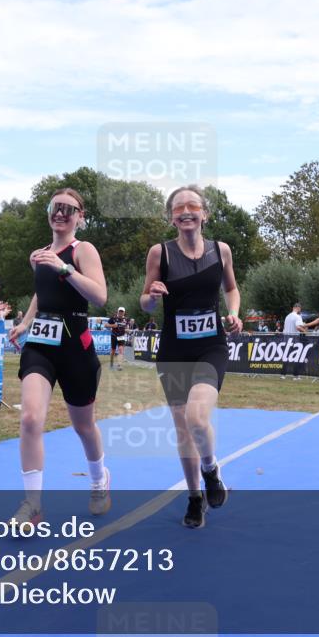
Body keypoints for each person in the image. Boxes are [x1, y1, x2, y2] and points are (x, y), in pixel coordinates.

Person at [7, 188, 110, 529]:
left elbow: (99, 295)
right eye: (55, 207)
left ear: (80, 216)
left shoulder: (83, 250)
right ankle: (32, 505)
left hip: (75, 345)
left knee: (83, 425)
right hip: (41, 345)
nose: (61, 213)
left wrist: (65, 267)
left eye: (69, 208)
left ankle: (98, 479)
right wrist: (24, 323)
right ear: (48, 212)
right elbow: (43, 293)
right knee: (31, 419)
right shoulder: (39, 255)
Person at [140, 184, 242, 529]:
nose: (186, 211)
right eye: (178, 207)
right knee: (183, 431)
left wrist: (234, 312)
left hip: (210, 346)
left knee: (198, 419)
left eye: (192, 206)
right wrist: (152, 296)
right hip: (174, 349)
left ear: (204, 215)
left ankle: (211, 469)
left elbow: (231, 288)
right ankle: (195, 498)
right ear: (171, 218)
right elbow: (145, 302)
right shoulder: (160, 253)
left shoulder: (221, 250)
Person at [282, 302, 307, 380]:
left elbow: (284, 327)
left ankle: (283, 375)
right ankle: (296, 375)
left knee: (285, 357)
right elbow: (298, 327)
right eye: (300, 309)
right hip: (295, 340)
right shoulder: (298, 316)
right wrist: (305, 331)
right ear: (298, 308)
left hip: (286, 339)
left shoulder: (287, 316)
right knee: (297, 357)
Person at [106, 306, 129, 371]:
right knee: (113, 351)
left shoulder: (126, 319)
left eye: (122, 312)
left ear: (124, 312)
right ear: (118, 311)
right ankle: (111, 363)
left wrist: (127, 330)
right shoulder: (113, 318)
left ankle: (119, 365)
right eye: (120, 311)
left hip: (121, 336)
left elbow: (127, 327)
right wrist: (113, 325)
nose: (121, 313)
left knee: (121, 350)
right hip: (114, 336)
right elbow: (106, 325)